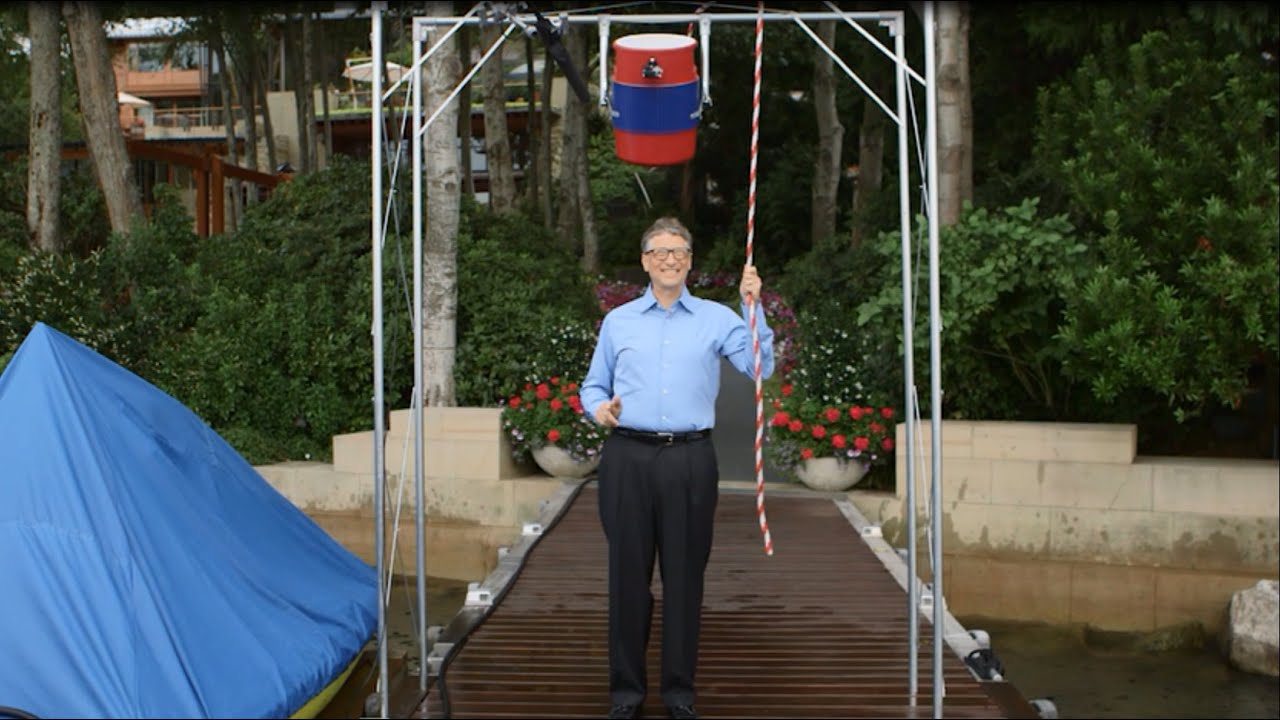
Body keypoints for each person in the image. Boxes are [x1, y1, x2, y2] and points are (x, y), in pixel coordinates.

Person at [581, 217, 775, 720]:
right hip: (627, 456)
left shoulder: (716, 318)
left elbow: (759, 368)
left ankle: (678, 693)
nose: (670, 259)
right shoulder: (619, 321)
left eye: (680, 251)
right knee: (628, 577)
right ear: (645, 261)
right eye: (660, 251)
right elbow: (593, 386)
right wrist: (598, 409)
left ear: (690, 261)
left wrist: (755, 307)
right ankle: (626, 694)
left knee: (685, 578)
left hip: (691, 458)